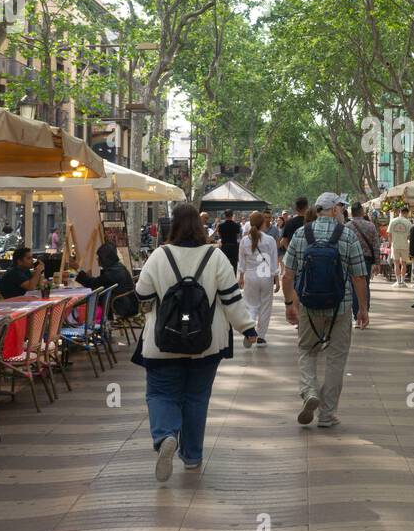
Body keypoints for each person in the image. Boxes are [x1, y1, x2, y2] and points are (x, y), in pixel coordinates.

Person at [134, 202, 257, 480]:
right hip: (206, 344)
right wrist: (248, 328)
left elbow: (141, 296)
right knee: (196, 398)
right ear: (200, 226)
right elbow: (231, 299)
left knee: (161, 393)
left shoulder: (158, 256)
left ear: (171, 225)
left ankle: (166, 435)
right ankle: (192, 456)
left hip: (161, 343)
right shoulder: (215, 258)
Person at [281, 193, 369, 428]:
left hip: (308, 307)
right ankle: (327, 414)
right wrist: (363, 309)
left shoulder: (301, 234)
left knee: (307, 351)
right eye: (340, 207)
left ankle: (310, 391)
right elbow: (359, 276)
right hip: (340, 306)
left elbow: (287, 275)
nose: (342, 211)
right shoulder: (347, 235)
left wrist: (289, 304)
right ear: (332, 210)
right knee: (336, 358)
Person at [238, 211, 279, 348]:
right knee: (265, 306)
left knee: (250, 305)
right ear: (263, 223)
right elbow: (274, 262)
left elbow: (241, 262)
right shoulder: (270, 240)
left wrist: (241, 277)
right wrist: (277, 279)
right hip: (266, 276)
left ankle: (250, 332)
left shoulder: (244, 240)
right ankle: (261, 338)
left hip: (250, 276)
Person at [75, 242, 139, 318]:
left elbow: (93, 283)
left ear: (105, 258)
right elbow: (98, 282)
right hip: (129, 304)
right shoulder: (117, 267)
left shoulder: (113, 272)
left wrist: (78, 269)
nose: (97, 259)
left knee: (88, 300)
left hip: (121, 306)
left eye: (99, 257)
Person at [347, 202, 380, 328]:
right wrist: (377, 263)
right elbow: (376, 245)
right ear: (361, 212)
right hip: (366, 260)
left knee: (353, 287)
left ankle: (356, 316)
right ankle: (364, 312)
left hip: (350, 260)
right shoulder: (370, 226)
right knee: (365, 286)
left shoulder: (347, 226)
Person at [387, 205, 413, 286]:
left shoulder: (393, 221)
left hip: (395, 245)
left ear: (399, 212)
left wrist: (390, 243)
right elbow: (409, 236)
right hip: (405, 245)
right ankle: (402, 281)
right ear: (406, 213)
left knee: (396, 263)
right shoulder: (408, 223)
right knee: (404, 263)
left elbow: (389, 234)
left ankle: (398, 281)